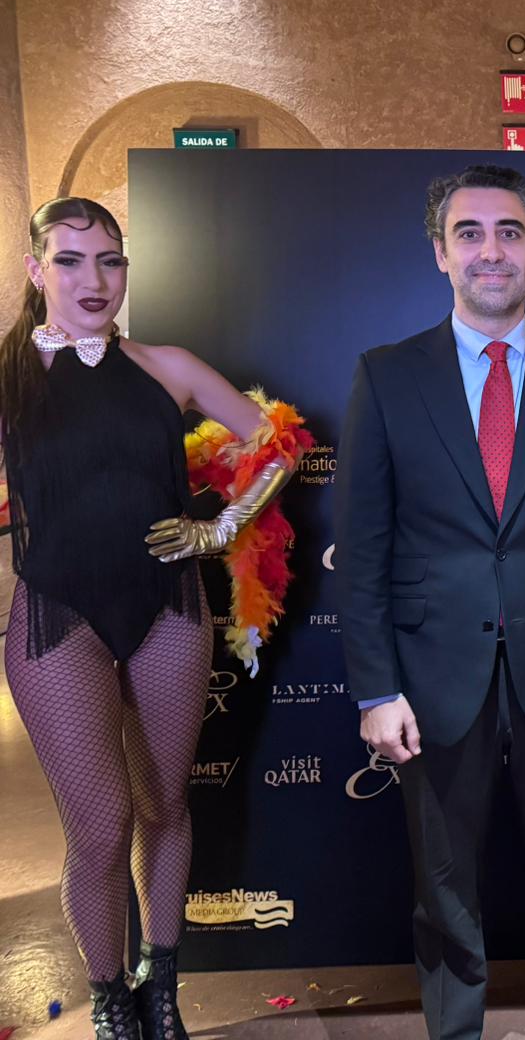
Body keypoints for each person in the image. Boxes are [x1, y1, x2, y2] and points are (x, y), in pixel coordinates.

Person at [335, 163, 525, 1040]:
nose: (491, 251)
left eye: (510, 232)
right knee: (444, 891)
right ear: (440, 253)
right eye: (468, 233)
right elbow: (363, 549)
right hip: (432, 678)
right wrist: (375, 689)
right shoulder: (386, 376)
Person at [0, 197, 304, 1040]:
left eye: (110, 260)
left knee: (166, 805)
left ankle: (160, 985)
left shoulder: (167, 366)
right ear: (36, 270)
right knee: (100, 829)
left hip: (168, 608)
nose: (93, 279)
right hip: (56, 616)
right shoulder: (9, 376)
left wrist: (221, 526)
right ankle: (109, 999)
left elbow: (280, 445)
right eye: (70, 260)